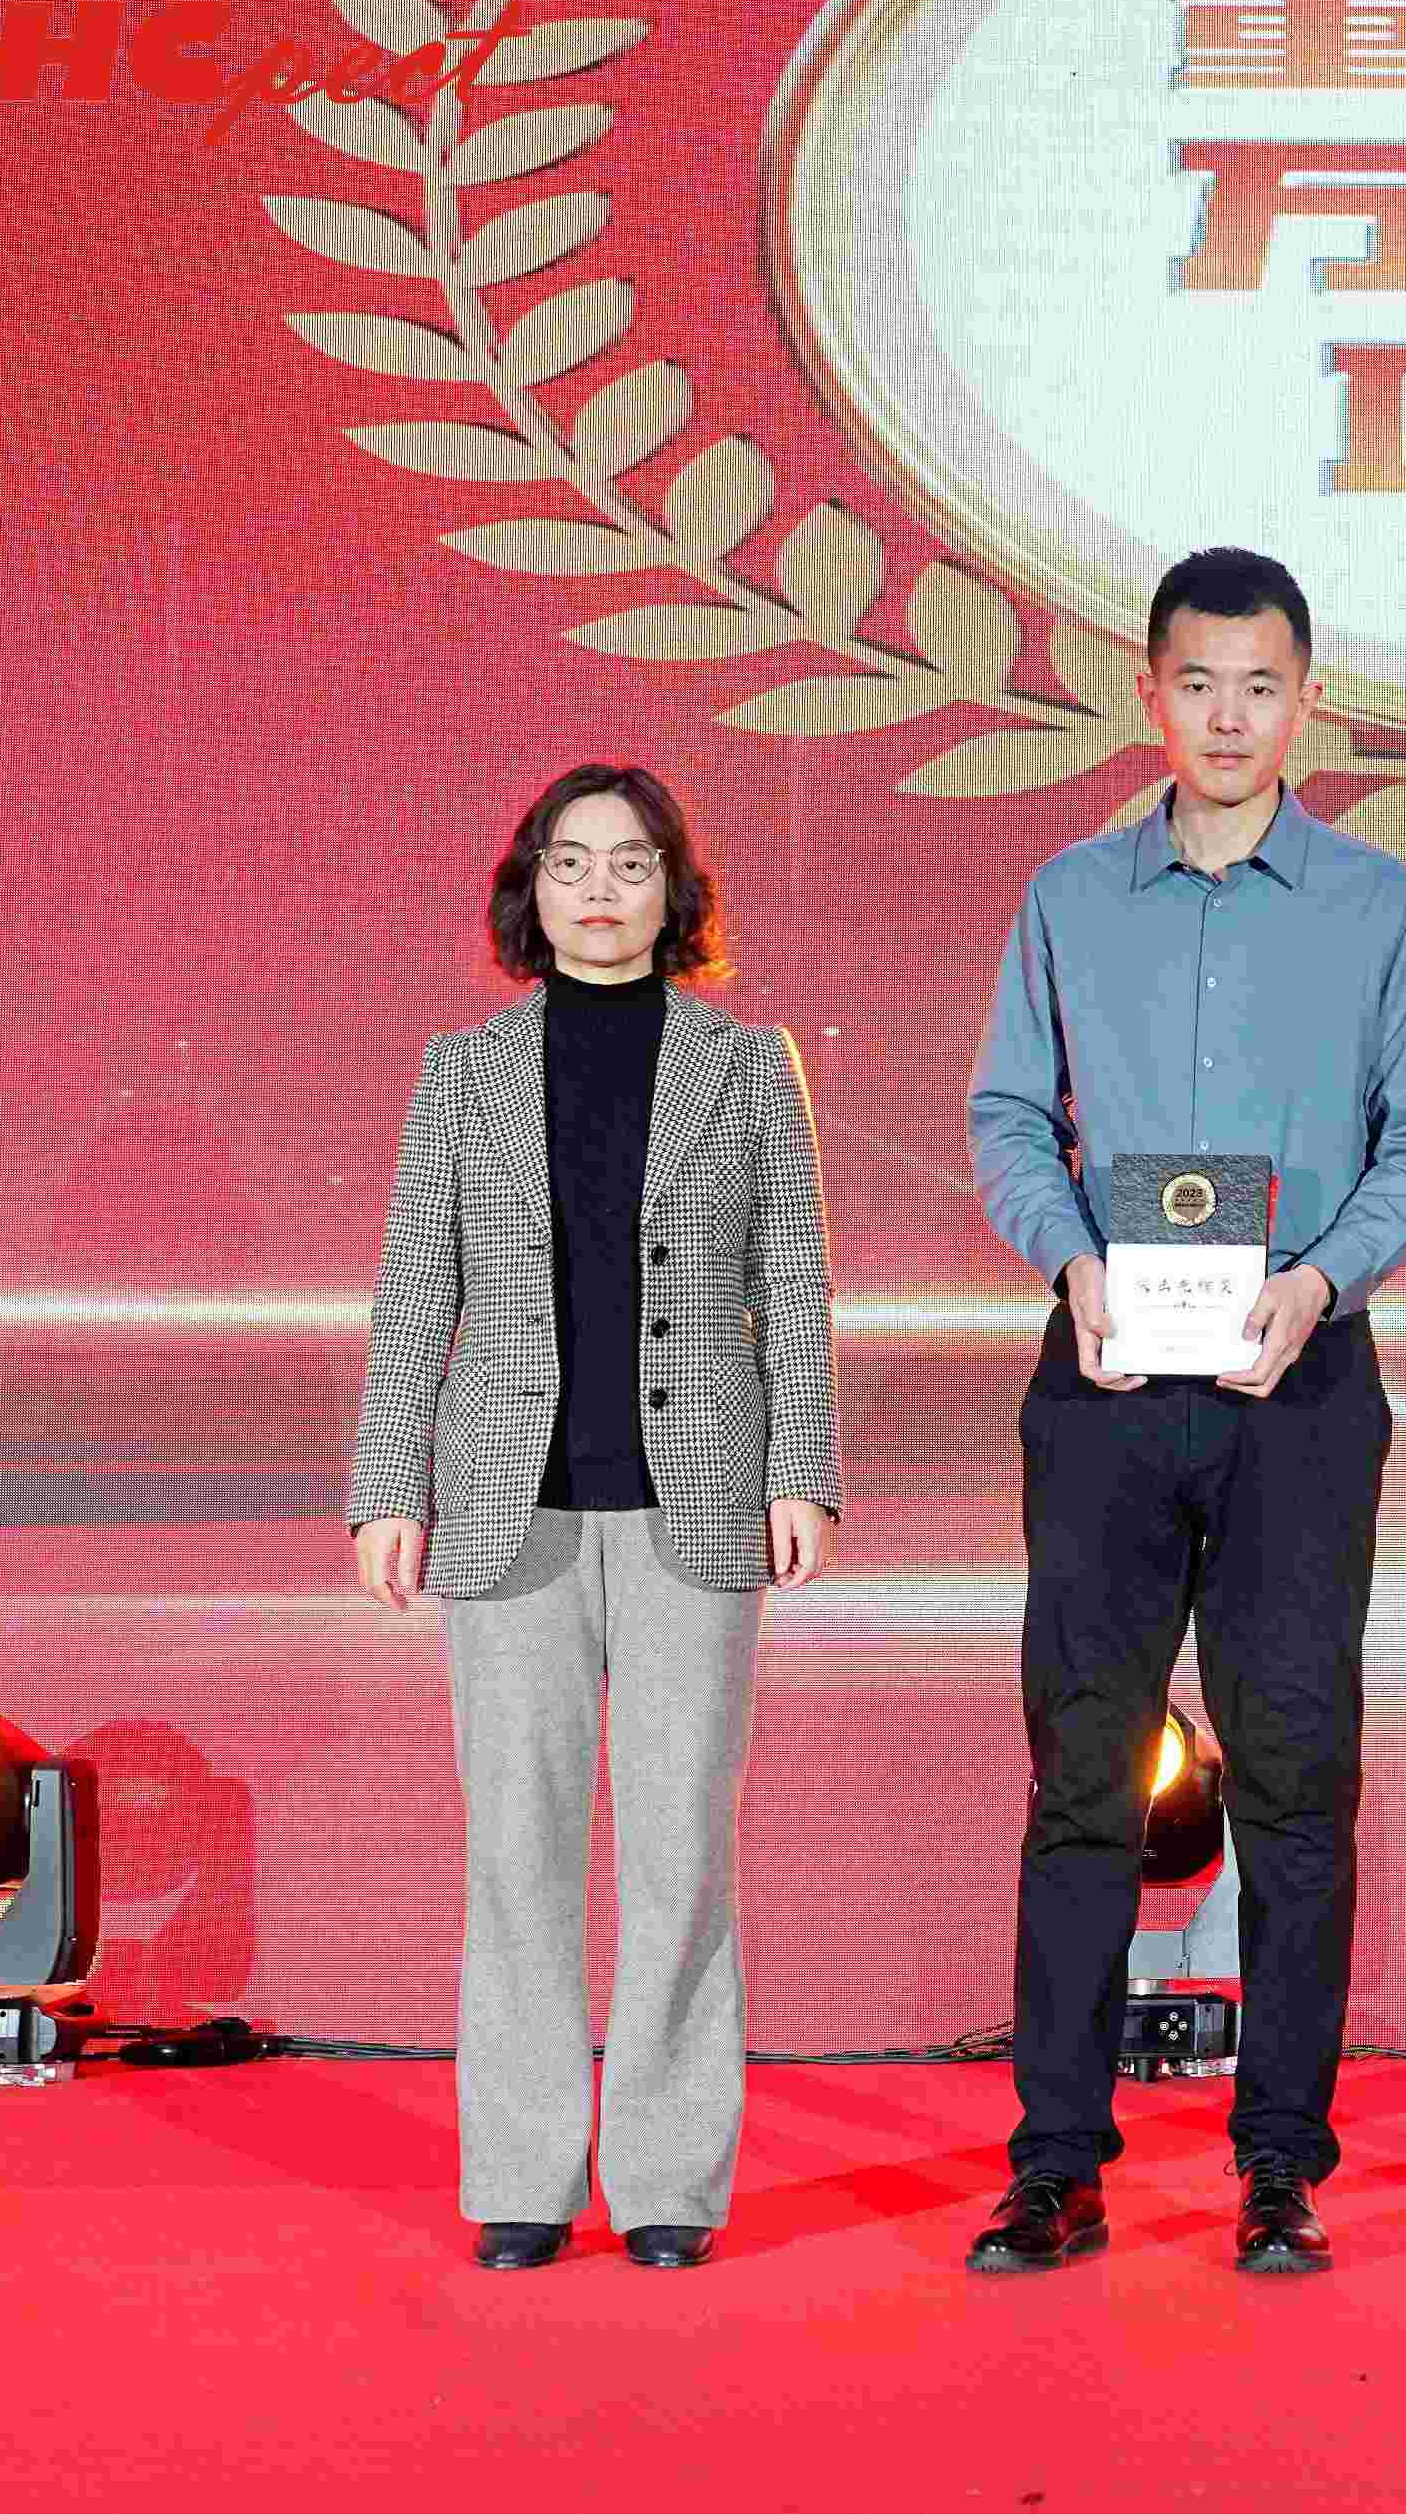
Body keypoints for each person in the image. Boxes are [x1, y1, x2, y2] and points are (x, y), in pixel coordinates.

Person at [962, 546, 1406, 2279]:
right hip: (1108, 1380)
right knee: (1081, 1778)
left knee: (1298, 1778)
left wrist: (1320, 1280)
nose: (1230, 717)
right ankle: (1054, 2159)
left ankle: (1278, 2161)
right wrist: (1070, 1261)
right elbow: (1012, 1114)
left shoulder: (1380, 905)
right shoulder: (1068, 896)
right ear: (1151, 695)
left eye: (1262, 686)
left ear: (1306, 701)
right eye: (1199, 683)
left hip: (1296, 1384)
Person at [347, 762, 844, 2274]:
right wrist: (388, 1488)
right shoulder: (462, 1070)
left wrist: (802, 1469)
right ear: (533, 887)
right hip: (510, 1505)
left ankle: (669, 2182)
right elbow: (415, 1290)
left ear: (673, 889)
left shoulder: (746, 1065)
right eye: (572, 863)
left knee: (682, 1847)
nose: (602, 890)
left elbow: (792, 1281)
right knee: (518, 1849)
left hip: (700, 1498)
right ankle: (520, 2176)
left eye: (632, 863)